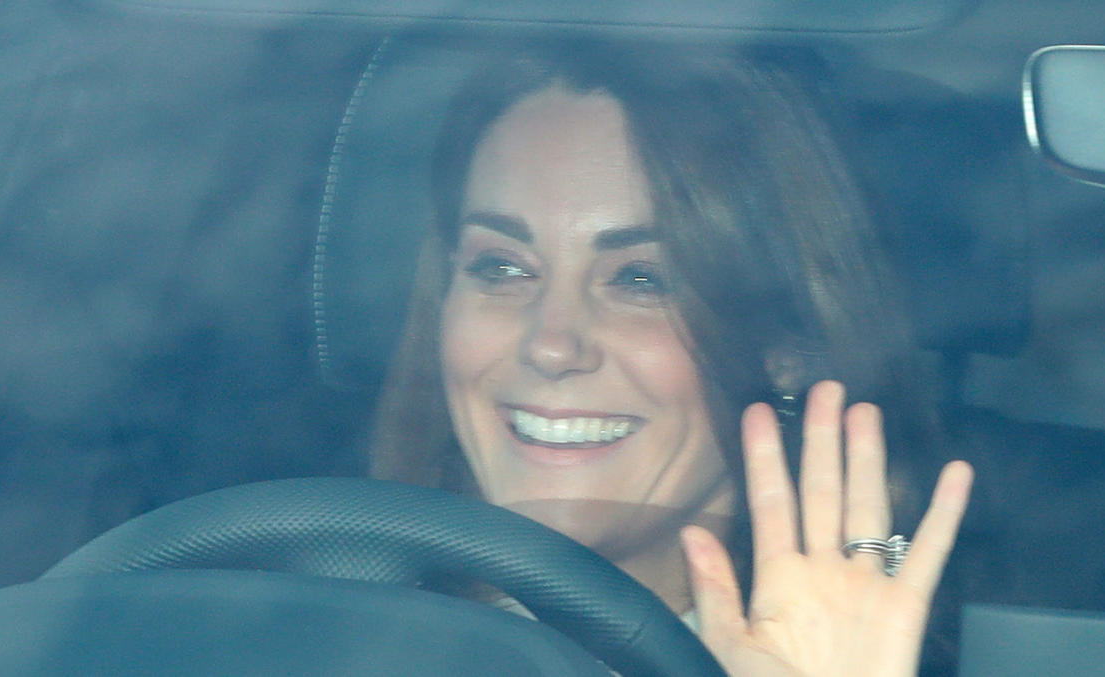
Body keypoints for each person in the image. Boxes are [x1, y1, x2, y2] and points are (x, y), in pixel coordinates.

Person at [367, 38, 974, 676]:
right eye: (502, 267)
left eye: (641, 280)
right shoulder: (305, 621)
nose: (550, 344)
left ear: (785, 351)